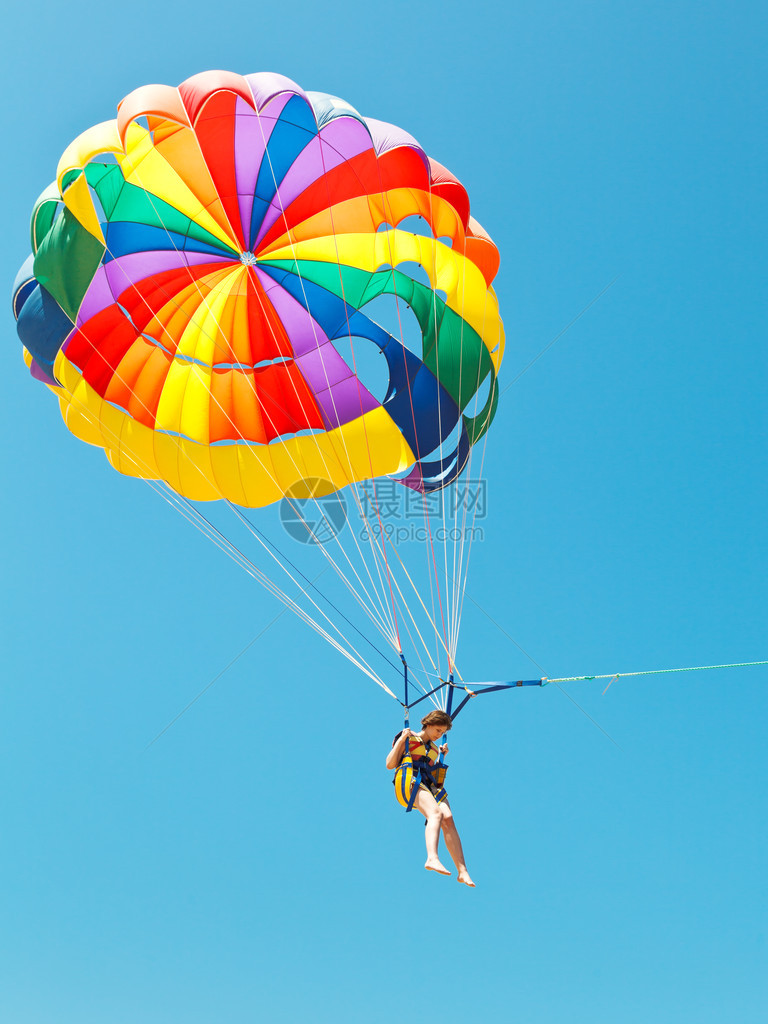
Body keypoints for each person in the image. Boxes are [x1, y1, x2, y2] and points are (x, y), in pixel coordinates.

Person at [386, 710, 475, 886]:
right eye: (438, 730)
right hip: (409, 781)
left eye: (442, 732)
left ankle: (462, 871)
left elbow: (436, 777)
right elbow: (389, 764)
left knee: (448, 818)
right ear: (427, 724)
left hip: (429, 785)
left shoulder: (435, 749)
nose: (439, 735)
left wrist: (442, 758)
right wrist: (401, 741)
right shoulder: (409, 738)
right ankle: (432, 858)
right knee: (435, 814)